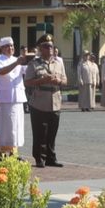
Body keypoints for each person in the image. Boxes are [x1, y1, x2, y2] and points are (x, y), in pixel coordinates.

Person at [24, 33, 66, 167]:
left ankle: (51, 158)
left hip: (55, 101)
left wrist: (58, 80)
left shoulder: (58, 64)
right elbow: (28, 82)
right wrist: (43, 80)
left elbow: (65, 80)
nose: (49, 49)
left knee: (52, 132)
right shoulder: (34, 64)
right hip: (40, 102)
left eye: (51, 46)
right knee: (40, 132)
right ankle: (39, 158)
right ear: (41, 49)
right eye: (46, 47)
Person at [0, 37, 28, 156]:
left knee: (17, 125)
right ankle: (3, 151)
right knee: (6, 126)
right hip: (6, 98)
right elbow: (2, 71)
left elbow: (26, 70)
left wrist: (31, 59)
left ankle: (14, 152)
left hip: (18, 97)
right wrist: (17, 63)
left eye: (12, 46)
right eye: (7, 46)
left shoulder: (17, 59)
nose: (10, 48)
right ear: (2, 48)